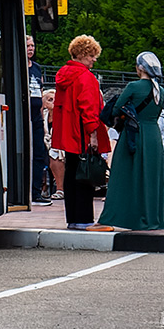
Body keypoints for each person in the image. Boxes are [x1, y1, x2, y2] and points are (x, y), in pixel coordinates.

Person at [98, 52, 164, 230]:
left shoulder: (133, 86)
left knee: (124, 174)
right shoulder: (160, 90)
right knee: (151, 177)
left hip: (134, 134)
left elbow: (116, 109)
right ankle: (154, 218)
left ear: (140, 68)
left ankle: (123, 217)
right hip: (153, 136)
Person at [51, 34, 112, 231]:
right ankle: (85, 218)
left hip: (67, 133)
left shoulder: (63, 75)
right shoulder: (85, 78)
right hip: (82, 134)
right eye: (92, 55)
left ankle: (73, 218)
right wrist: (93, 134)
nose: (94, 59)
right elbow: (89, 109)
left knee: (71, 174)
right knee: (85, 175)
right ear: (84, 54)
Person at [27, 35, 49, 204]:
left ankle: (36, 191)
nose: (31, 48)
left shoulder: (36, 68)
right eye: (28, 45)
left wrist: (41, 115)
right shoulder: (20, 67)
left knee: (39, 152)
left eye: (32, 45)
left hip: (36, 115)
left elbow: (40, 91)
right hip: (24, 114)